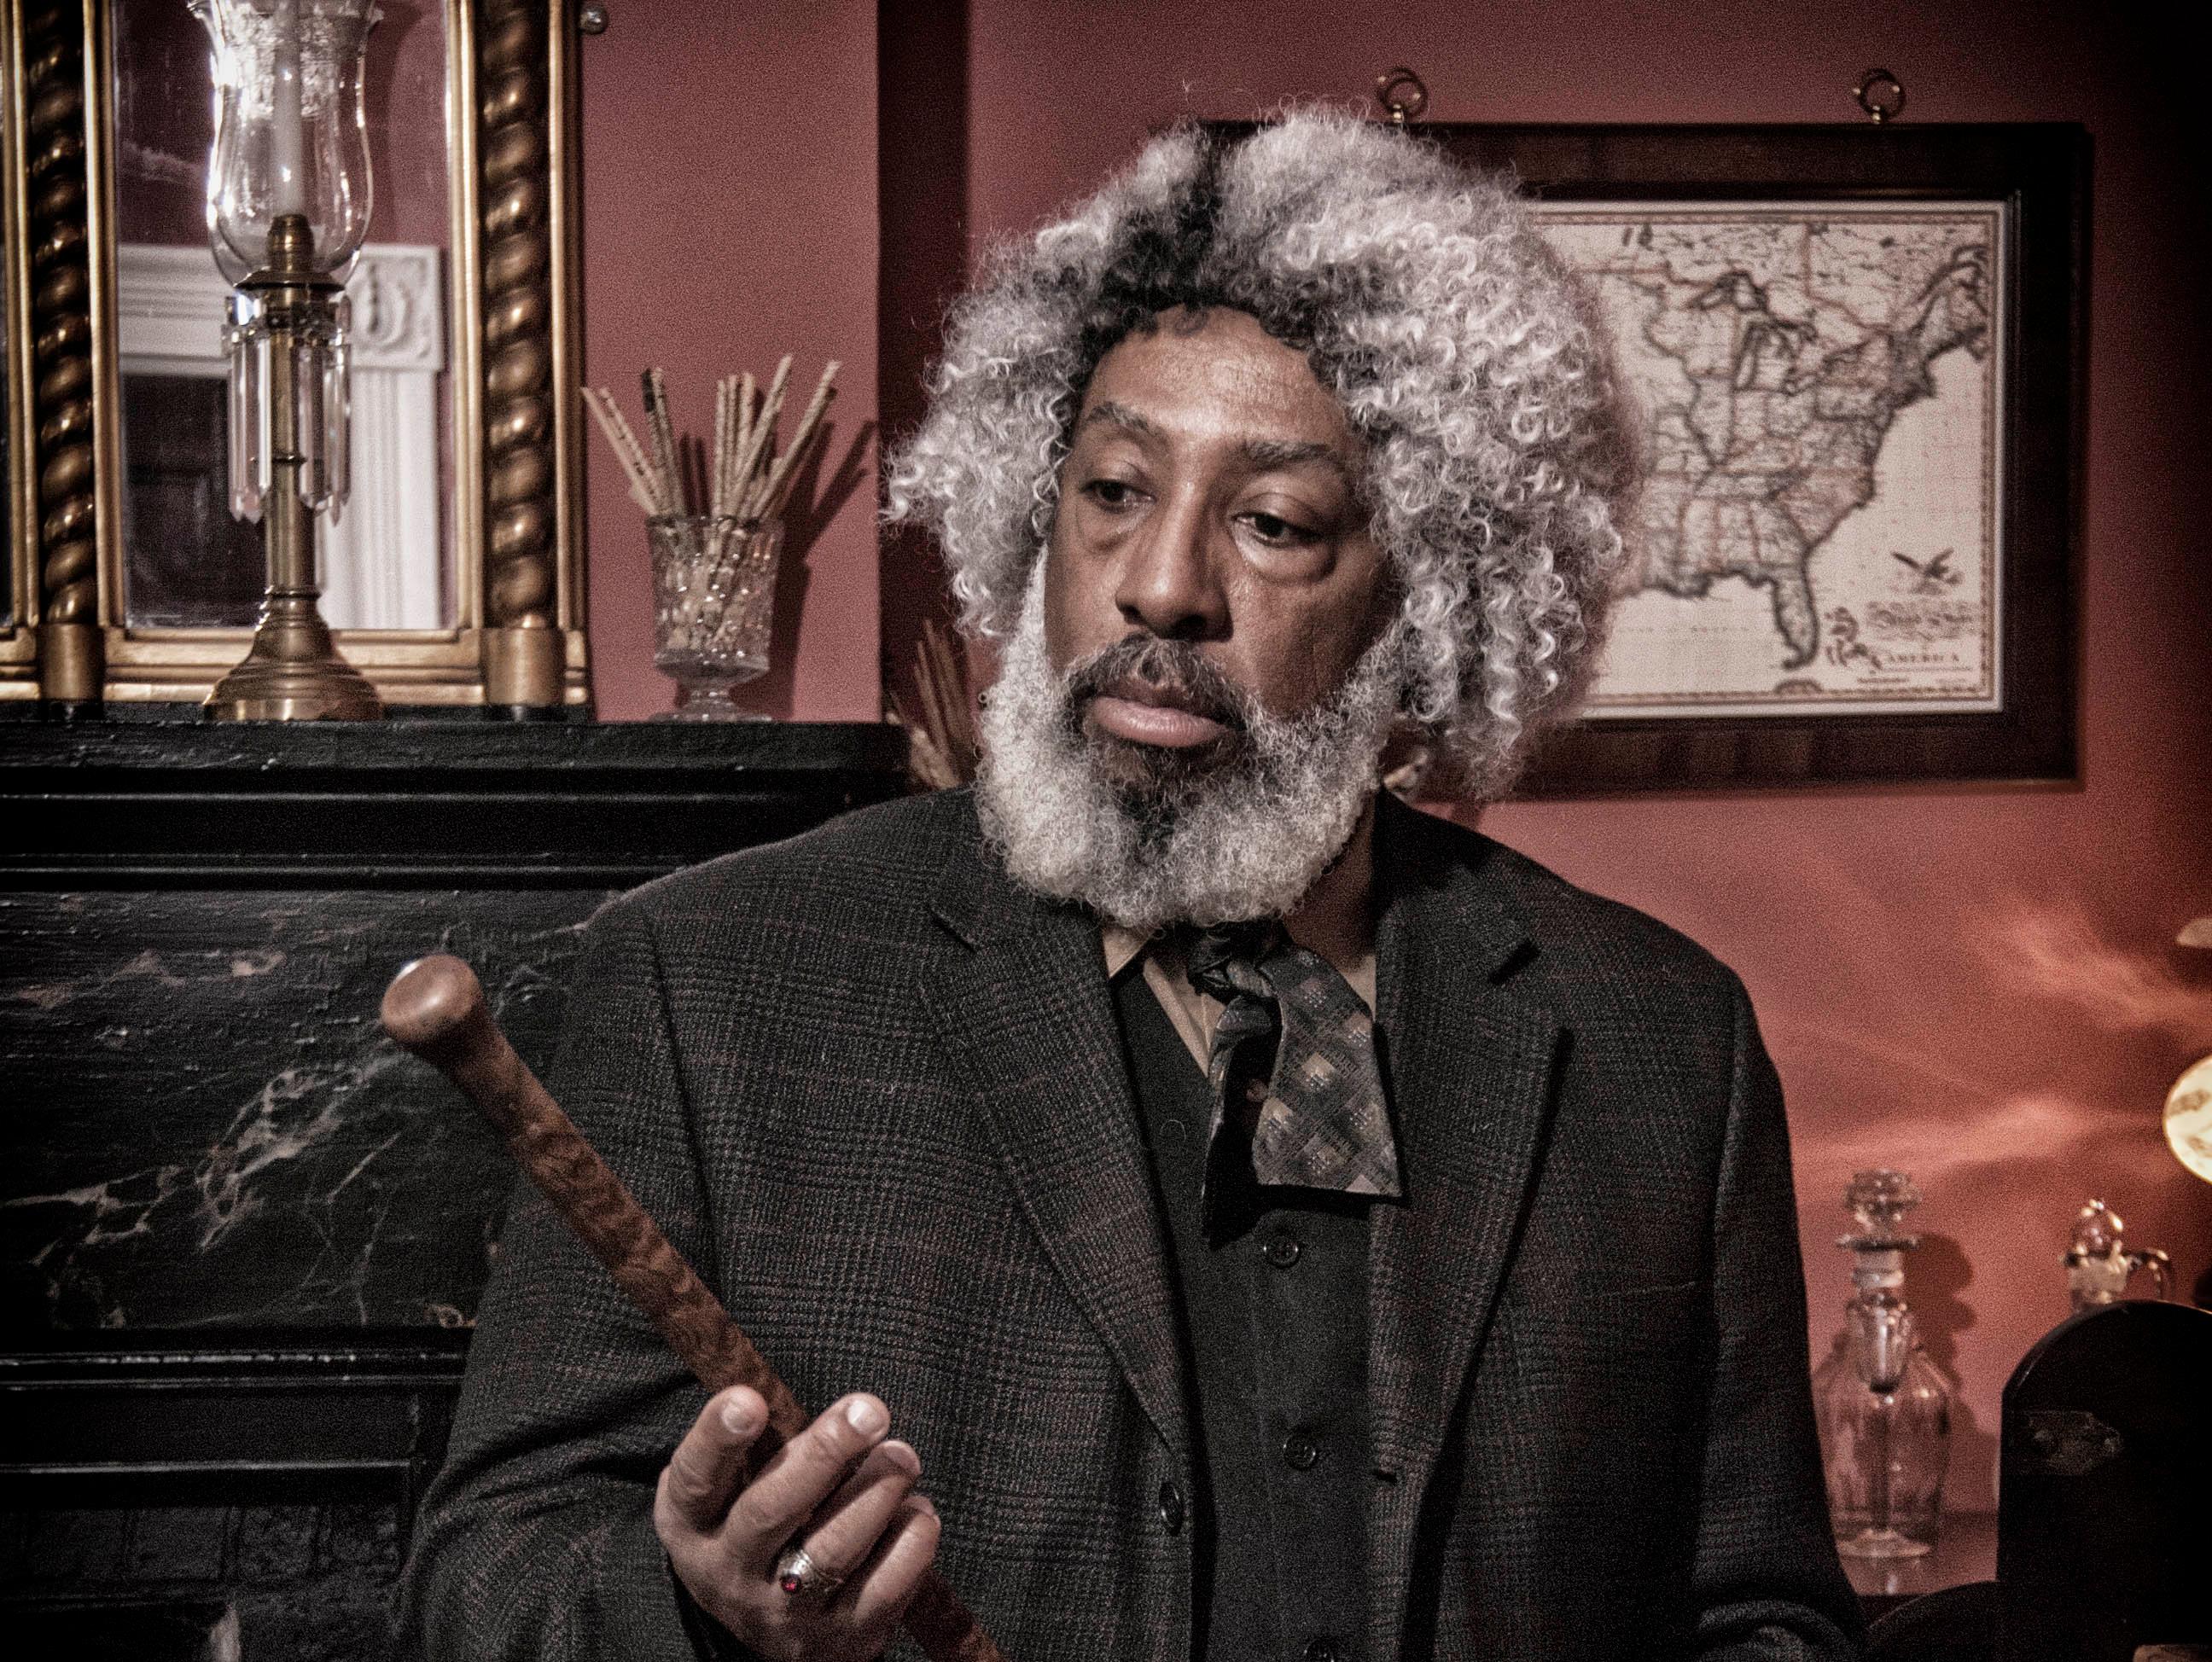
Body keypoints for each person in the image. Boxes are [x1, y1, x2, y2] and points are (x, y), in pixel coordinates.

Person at [400, 111, 1864, 1662]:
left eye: (1274, 521)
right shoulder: (709, 983)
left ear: (1435, 597)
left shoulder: (1658, 1042)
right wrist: (695, 1612)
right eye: (1111, 489)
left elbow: (1763, 1618)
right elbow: (479, 1588)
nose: (1160, 585)